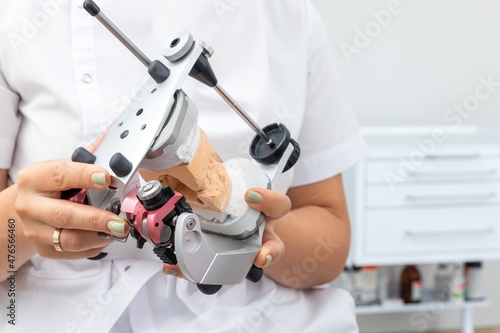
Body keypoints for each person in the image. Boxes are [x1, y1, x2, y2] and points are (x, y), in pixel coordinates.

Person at [0, 1, 367, 332]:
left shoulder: (286, 14)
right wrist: (21, 220)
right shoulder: (17, 16)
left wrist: (239, 220)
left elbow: (329, 242)